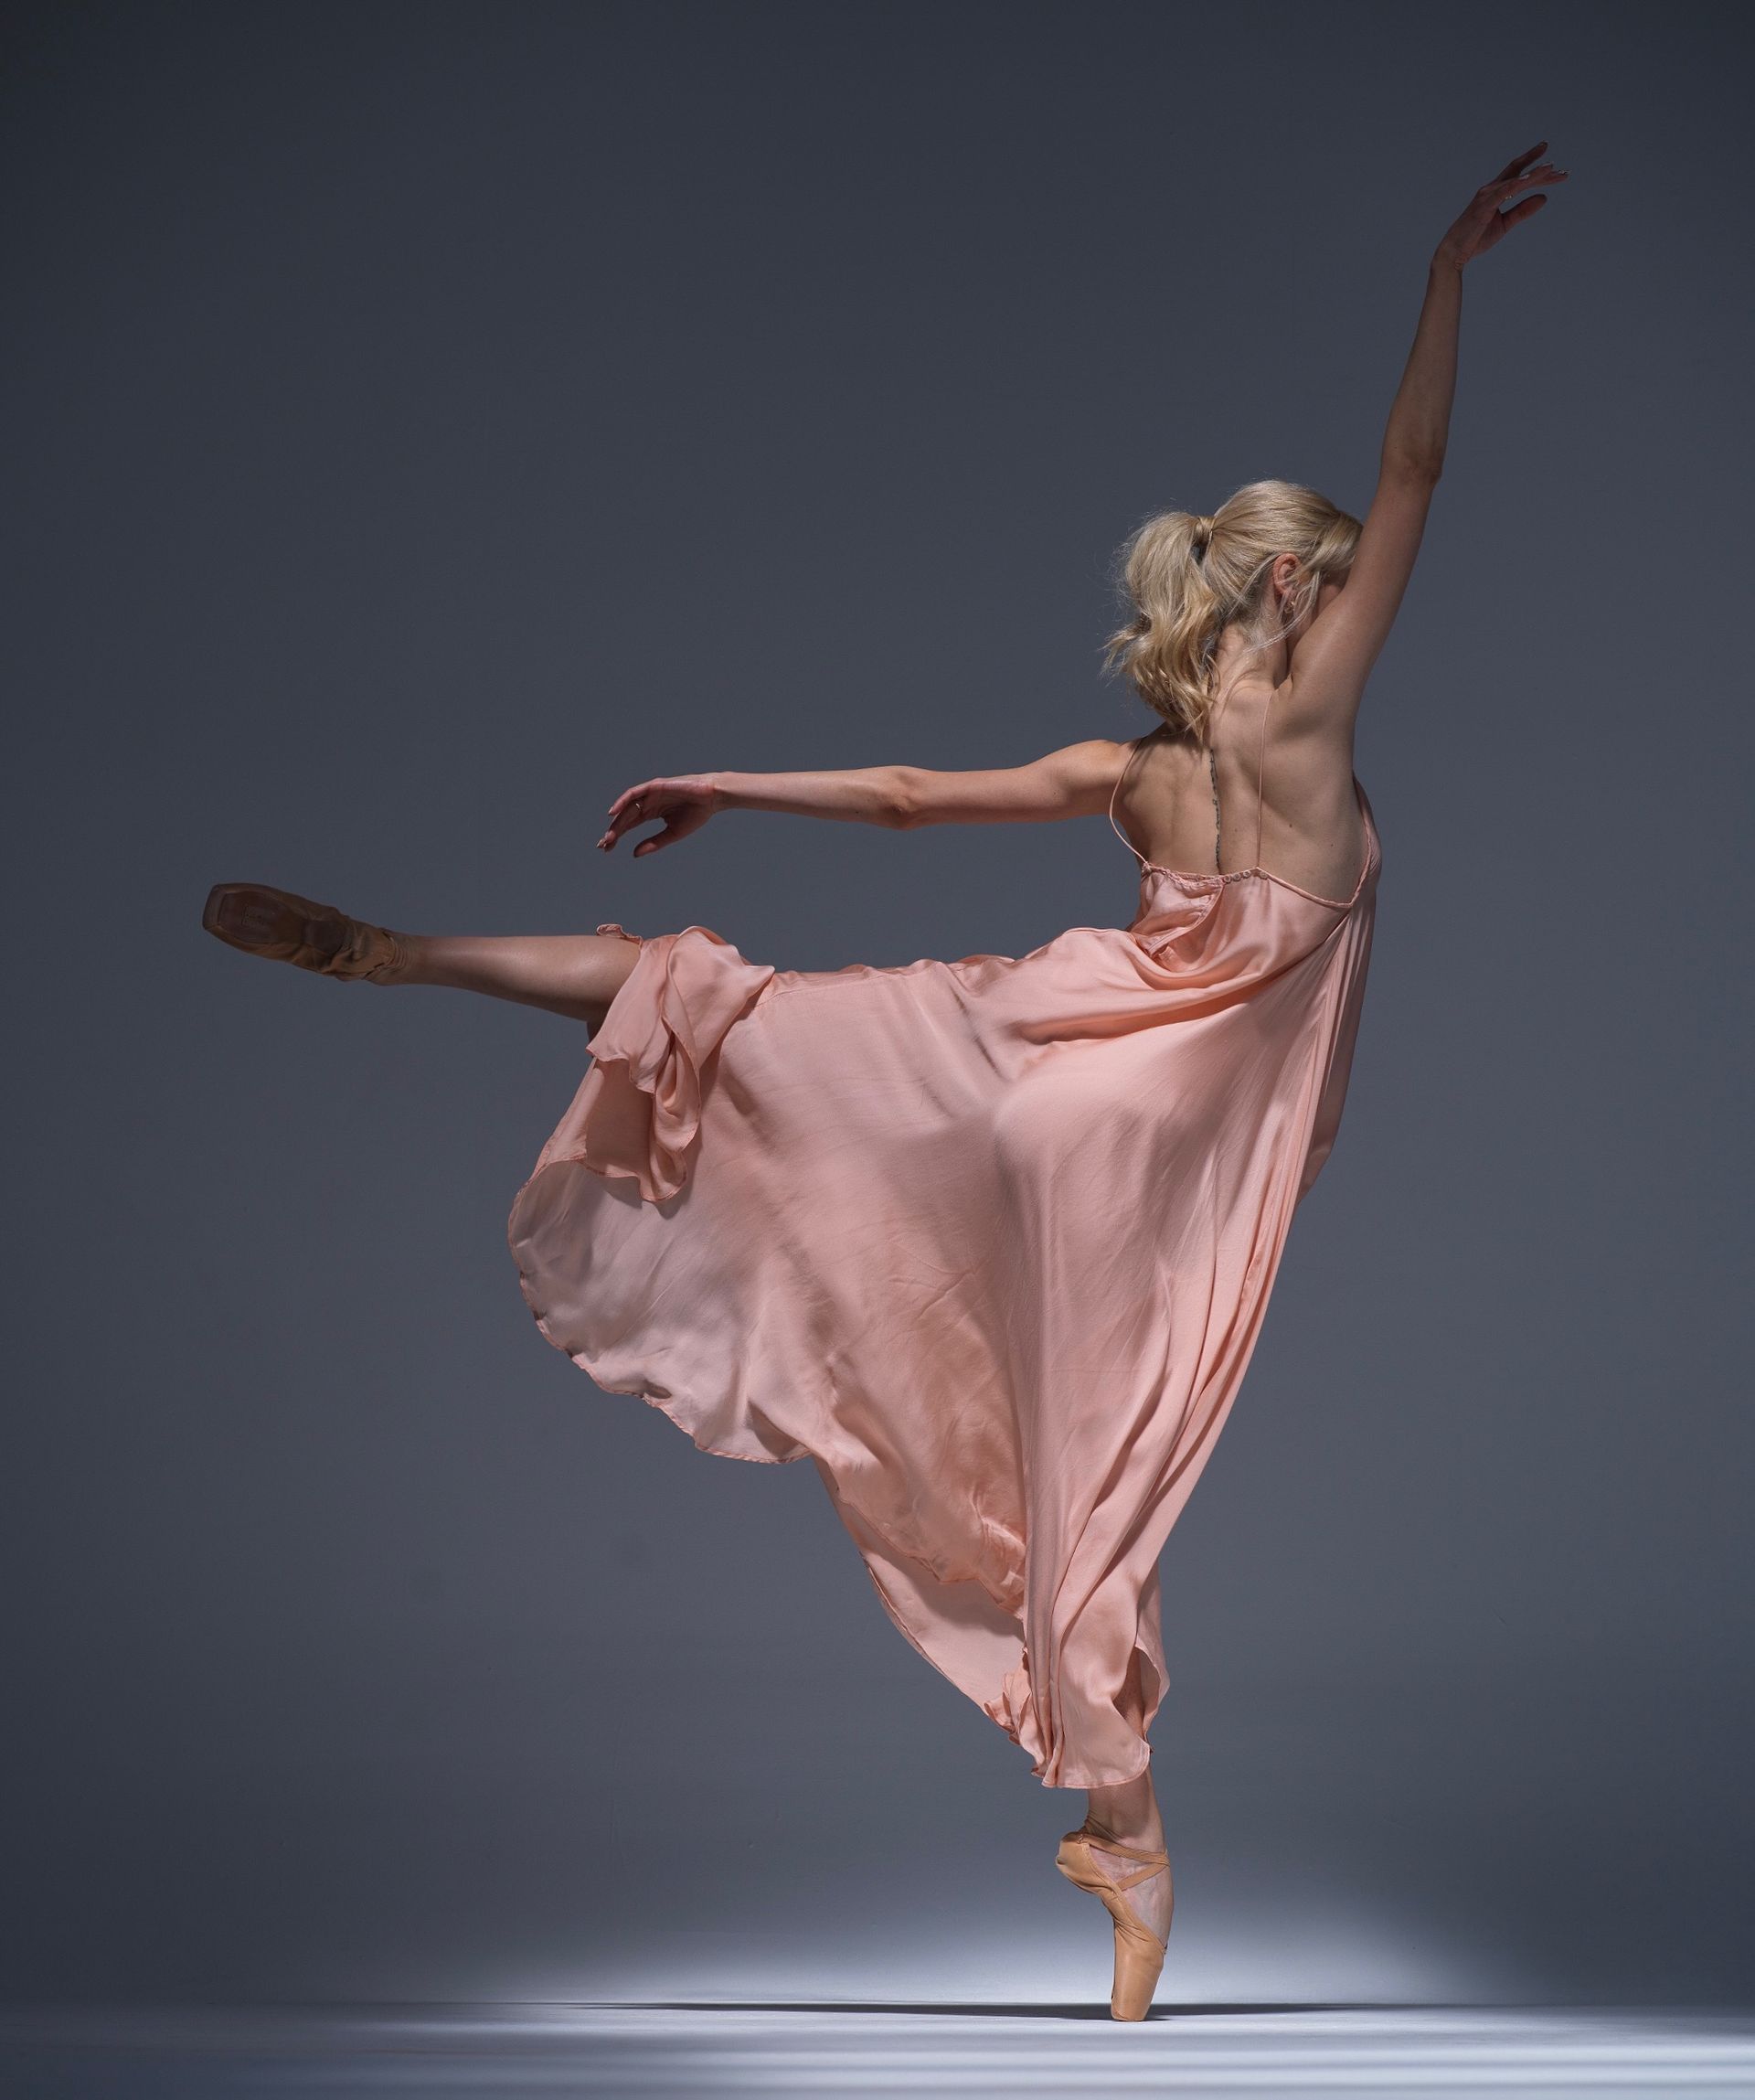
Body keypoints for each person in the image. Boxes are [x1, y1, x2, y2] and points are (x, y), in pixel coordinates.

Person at [203, 143, 1565, 2020]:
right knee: (1097, 1496)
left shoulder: (1131, 765)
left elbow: (917, 799)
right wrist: (1448, 272)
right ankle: (1130, 1837)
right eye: (1336, 578)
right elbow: (1418, 465)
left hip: (1030, 1051)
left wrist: (725, 784)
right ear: (1308, 591)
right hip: (1140, 1140)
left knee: (739, 1016)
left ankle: (402, 953)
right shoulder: (1320, 715)